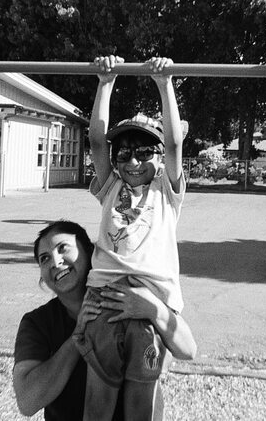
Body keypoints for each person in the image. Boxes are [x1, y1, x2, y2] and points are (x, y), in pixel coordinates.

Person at [74, 54, 191, 421]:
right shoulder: (111, 186)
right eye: (124, 152)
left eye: (144, 152)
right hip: (106, 301)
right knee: (97, 404)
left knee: (141, 406)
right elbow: (96, 141)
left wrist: (165, 83)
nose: (133, 161)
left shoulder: (165, 192)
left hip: (150, 305)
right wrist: (105, 82)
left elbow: (173, 144)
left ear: (157, 158)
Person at [13, 220, 196, 420]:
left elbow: (188, 350)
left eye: (63, 248)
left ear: (91, 253)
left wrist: (154, 310)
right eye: (44, 258)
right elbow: (27, 402)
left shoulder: (128, 297)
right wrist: (78, 338)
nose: (55, 262)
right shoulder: (38, 323)